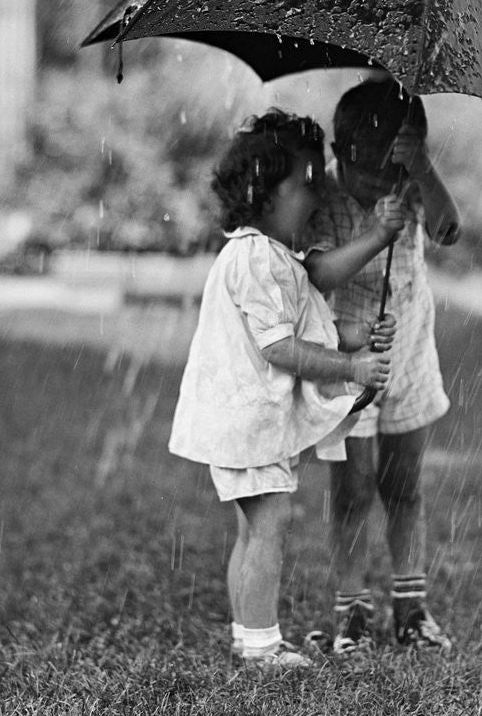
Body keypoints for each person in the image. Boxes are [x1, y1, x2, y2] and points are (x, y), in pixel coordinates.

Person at [168, 109, 403, 669]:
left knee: (253, 531)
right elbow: (280, 348)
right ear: (262, 194)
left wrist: (358, 334)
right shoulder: (254, 258)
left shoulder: (273, 257)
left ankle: (245, 634)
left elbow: (306, 323)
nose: (320, 193)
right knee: (268, 528)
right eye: (307, 181)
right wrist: (349, 369)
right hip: (249, 420)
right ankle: (261, 646)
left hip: (250, 419)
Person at [304, 78, 462, 655]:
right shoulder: (323, 200)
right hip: (348, 365)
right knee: (353, 489)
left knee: (403, 485)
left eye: (391, 167)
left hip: (411, 357)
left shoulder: (411, 186)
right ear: (341, 152)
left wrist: (420, 169)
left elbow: (448, 231)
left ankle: (411, 606)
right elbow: (319, 274)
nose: (380, 183)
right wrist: (378, 234)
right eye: (369, 171)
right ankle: (351, 609)